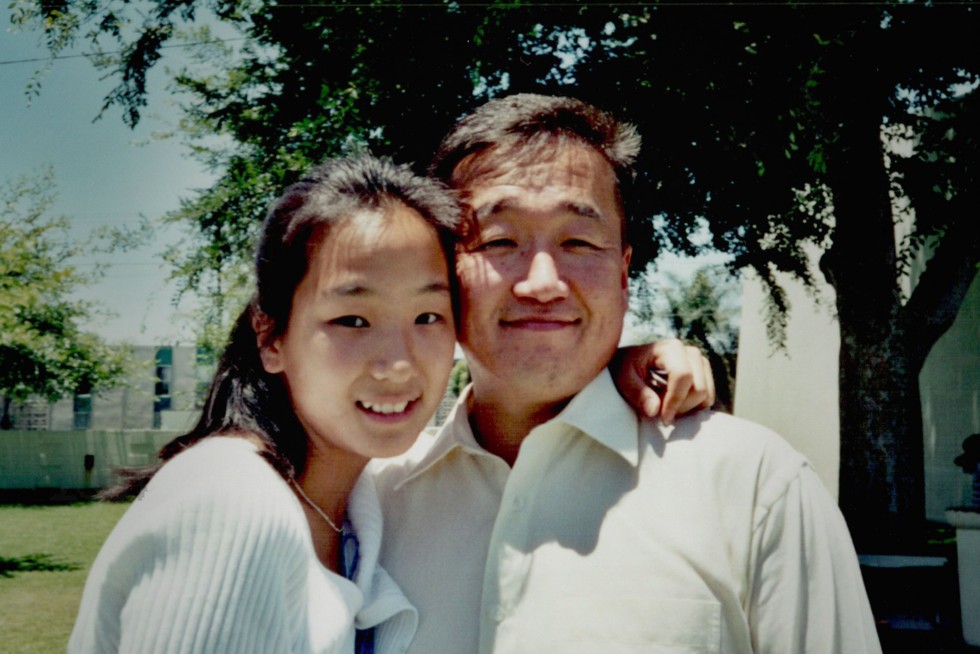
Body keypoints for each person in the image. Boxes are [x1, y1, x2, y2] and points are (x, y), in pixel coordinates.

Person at [69, 154, 715, 654]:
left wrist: (620, 361)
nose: (398, 363)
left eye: (428, 315)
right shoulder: (234, 503)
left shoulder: (366, 505)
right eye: (353, 319)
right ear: (271, 336)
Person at [373, 94, 882, 653]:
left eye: (578, 241)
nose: (542, 283)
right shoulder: (374, 501)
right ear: (444, 272)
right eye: (498, 242)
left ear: (622, 273)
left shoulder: (756, 484)